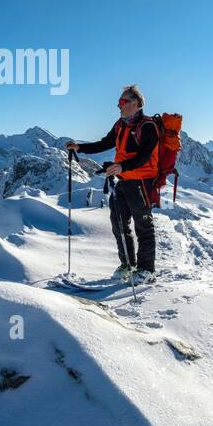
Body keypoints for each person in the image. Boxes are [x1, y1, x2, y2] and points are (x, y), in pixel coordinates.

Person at [65, 85, 159, 284]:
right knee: (118, 223)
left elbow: (145, 156)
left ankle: (146, 270)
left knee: (143, 225)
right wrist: (80, 148)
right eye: (119, 102)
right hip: (123, 179)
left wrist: (122, 166)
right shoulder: (121, 124)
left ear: (136, 103)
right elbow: (105, 143)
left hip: (141, 181)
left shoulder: (147, 126)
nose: (119, 105)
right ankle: (128, 265)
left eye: (123, 102)